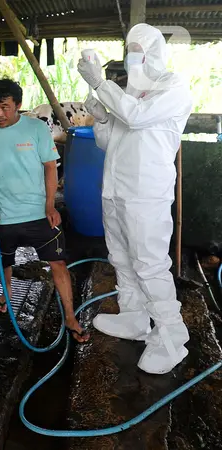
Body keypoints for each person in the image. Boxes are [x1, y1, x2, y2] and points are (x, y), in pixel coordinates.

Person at [78, 23, 192, 374]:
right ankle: (134, 317)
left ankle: (172, 336)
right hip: (116, 190)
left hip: (146, 195)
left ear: (154, 53)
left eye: (137, 50)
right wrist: (100, 118)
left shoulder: (174, 88)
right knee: (121, 258)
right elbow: (111, 139)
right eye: (129, 49)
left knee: (149, 264)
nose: (131, 57)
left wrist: (100, 84)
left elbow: (137, 119)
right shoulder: (132, 93)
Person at [0, 79, 89, 343]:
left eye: (6, 107)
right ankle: (8, 293)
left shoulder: (36, 129)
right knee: (4, 261)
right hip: (2, 215)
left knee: (58, 262)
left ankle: (69, 316)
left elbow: (50, 166)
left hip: (39, 213)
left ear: (18, 106)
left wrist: (50, 204)